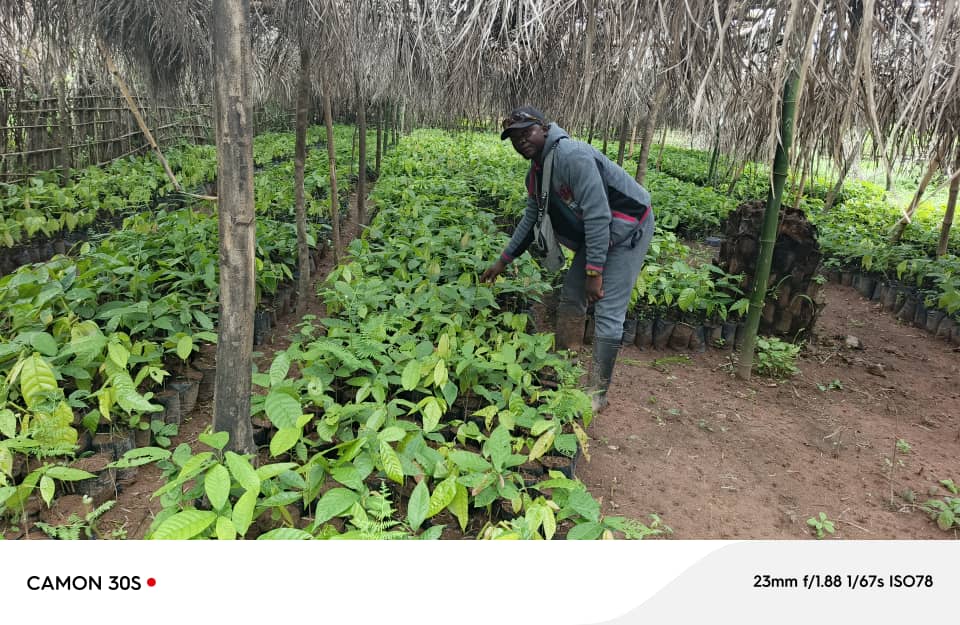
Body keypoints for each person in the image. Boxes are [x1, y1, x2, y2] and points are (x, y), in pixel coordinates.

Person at [481, 106, 655, 414]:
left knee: (608, 309)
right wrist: (503, 261)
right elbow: (531, 217)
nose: (522, 140)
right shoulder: (536, 173)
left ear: (544, 128)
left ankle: (598, 392)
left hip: (628, 228)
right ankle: (564, 369)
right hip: (600, 232)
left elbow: (599, 214)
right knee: (571, 297)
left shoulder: (571, 156)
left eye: (527, 132)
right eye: (514, 137)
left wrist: (594, 271)